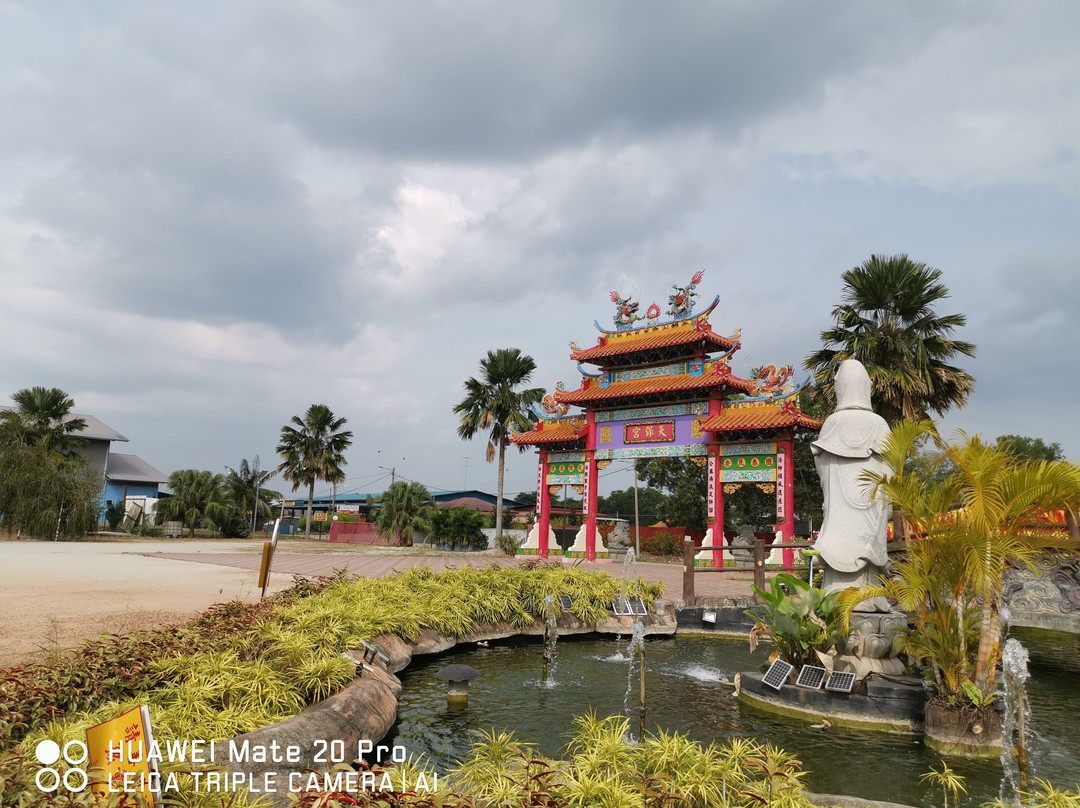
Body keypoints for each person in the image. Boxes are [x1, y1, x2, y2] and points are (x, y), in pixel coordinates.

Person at [811, 359, 891, 611]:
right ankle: (868, 595)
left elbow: (823, 468)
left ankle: (838, 593)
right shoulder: (879, 425)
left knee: (839, 523)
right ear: (866, 386)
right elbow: (891, 473)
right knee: (869, 526)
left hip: (839, 511)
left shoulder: (833, 423)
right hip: (870, 506)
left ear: (841, 387)